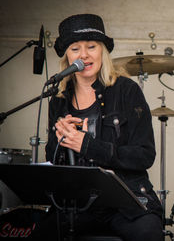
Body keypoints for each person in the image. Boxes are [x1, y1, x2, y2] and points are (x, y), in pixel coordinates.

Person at [42, 14, 163, 240]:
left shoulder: (127, 90)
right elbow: (52, 161)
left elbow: (144, 156)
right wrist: (59, 142)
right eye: (75, 49)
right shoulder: (58, 100)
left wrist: (88, 146)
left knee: (148, 232)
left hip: (125, 204)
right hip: (77, 204)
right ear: (67, 56)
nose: (84, 55)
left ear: (102, 52)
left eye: (91, 47)